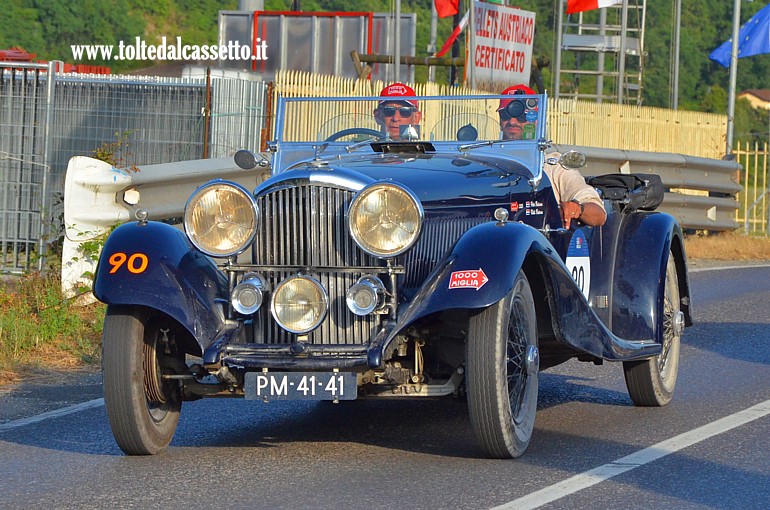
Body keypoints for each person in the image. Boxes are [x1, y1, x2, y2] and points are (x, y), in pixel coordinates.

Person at [499, 84, 607, 228]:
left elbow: (599, 215)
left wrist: (577, 207)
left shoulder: (553, 166)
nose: (512, 122)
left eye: (521, 116)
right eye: (506, 115)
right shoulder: (485, 163)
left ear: (535, 120)